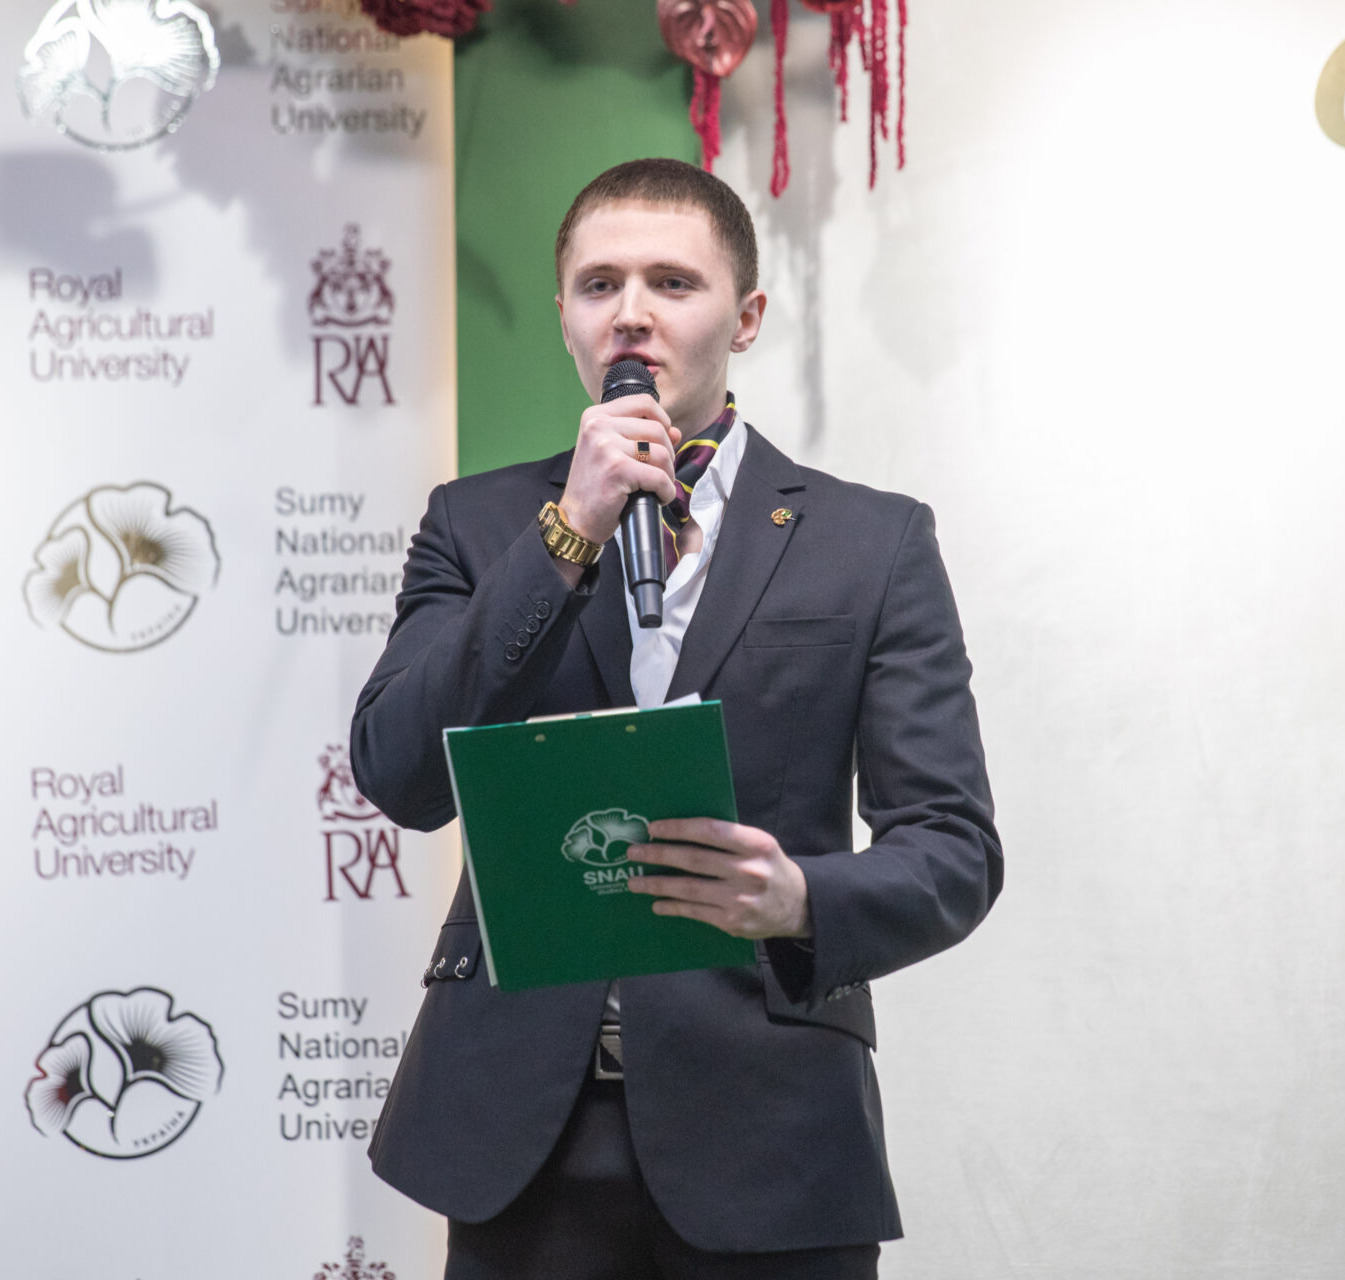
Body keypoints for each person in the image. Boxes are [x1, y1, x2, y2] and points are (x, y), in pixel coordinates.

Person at [352, 157, 1001, 1279]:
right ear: (565, 315)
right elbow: (398, 771)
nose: (632, 313)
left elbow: (954, 847)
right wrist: (568, 533)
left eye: (672, 282)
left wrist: (802, 899)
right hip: (518, 1133)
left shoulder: (873, 541)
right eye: (599, 284)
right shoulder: (478, 523)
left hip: (773, 1131)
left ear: (745, 316)